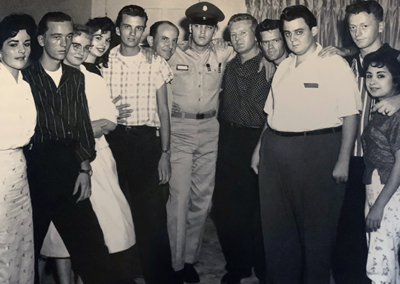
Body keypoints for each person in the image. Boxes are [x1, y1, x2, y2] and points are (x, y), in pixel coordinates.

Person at [251, 5, 360, 284]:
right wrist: (259, 148)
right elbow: (271, 114)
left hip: (317, 150)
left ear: (314, 31)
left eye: (299, 32)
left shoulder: (333, 63)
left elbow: (350, 114)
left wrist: (343, 160)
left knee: (317, 236)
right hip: (276, 151)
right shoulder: (284, 66)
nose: (293, 39)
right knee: (277, 232)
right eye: (287, 34)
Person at [40, 24, 136, 284]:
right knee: (61, 236)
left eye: (85, 46)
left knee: (106, 224)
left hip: (98, 157)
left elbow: (111, 121)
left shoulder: (92, 78)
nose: (81, 52)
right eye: (75, 46)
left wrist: (76, 131)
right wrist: (86, 128)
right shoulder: (49, 78)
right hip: (62, 162)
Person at [22, 12, 111, 284]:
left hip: (70, 165)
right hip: (35, 167)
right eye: (56, 36)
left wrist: (84, 167)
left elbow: (83, 124)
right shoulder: (24, 76)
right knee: (29, 247)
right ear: (41, 39)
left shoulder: (75, 77)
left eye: (68, 37)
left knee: (91, 245)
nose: (64, 43)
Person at [325, 2, 400, 283]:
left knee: (381, 241)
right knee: (347, 234)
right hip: (349, 156)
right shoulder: (348, 60)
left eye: (364, 26)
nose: (357, 32)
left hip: (383, 166)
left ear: (381, 25)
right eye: (352, 27)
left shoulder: (395, 60)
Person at [102, 5, 177, 284]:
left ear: (144, 31)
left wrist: (165, 153)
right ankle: (124, 274)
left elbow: (164, 110)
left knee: (152, 215)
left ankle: (159, 277)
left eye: (138, 27)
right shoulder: (104, 61)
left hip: (147, 142)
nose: (132, 33)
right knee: (118, 211)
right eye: (127, 27)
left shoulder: (155, 62)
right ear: (118, 29)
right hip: (113, 140)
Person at [166, 3, 236, 282]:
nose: (203, 31)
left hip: (210, 128)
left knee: (202, 201)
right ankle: (174, 265)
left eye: (209, 27)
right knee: (179, 199)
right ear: (190, 27)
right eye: (198, 26)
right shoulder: (172, 51)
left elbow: (256, 45)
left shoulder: (223, 52)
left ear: (214, 30)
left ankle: (189, 259)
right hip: (179, 128)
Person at [211, 13, 268, 284]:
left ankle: (265, 267)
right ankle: (238, 266)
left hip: (259, 139)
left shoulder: (271, 65)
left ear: (255, 35)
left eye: (242, 33)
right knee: (226, 207)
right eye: (233, 34)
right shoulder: (228, 64)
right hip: (229, 137)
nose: (236, 38)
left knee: (258, 208)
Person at [0, 13, 36, 284]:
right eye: (13, 43)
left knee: (21, 244)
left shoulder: (23, 82)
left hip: (19, 173)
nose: (21, 50)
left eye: (26, 43)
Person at [362, 49, 400, 284]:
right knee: (386, 261)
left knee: (381, 263)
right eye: (369, 75)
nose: (373, 81)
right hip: (377, 189)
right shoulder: (380, 110)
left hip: (390, 195)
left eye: (381, 75)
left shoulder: (395, 114)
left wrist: (378, 206)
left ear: (395, 79)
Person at [147, 21, 179, 114]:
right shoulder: (144, 64)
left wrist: (168, 101)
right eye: (164, 39)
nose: (170, 46)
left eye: (174, 41)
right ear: (151, 41)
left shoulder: (163, 65)